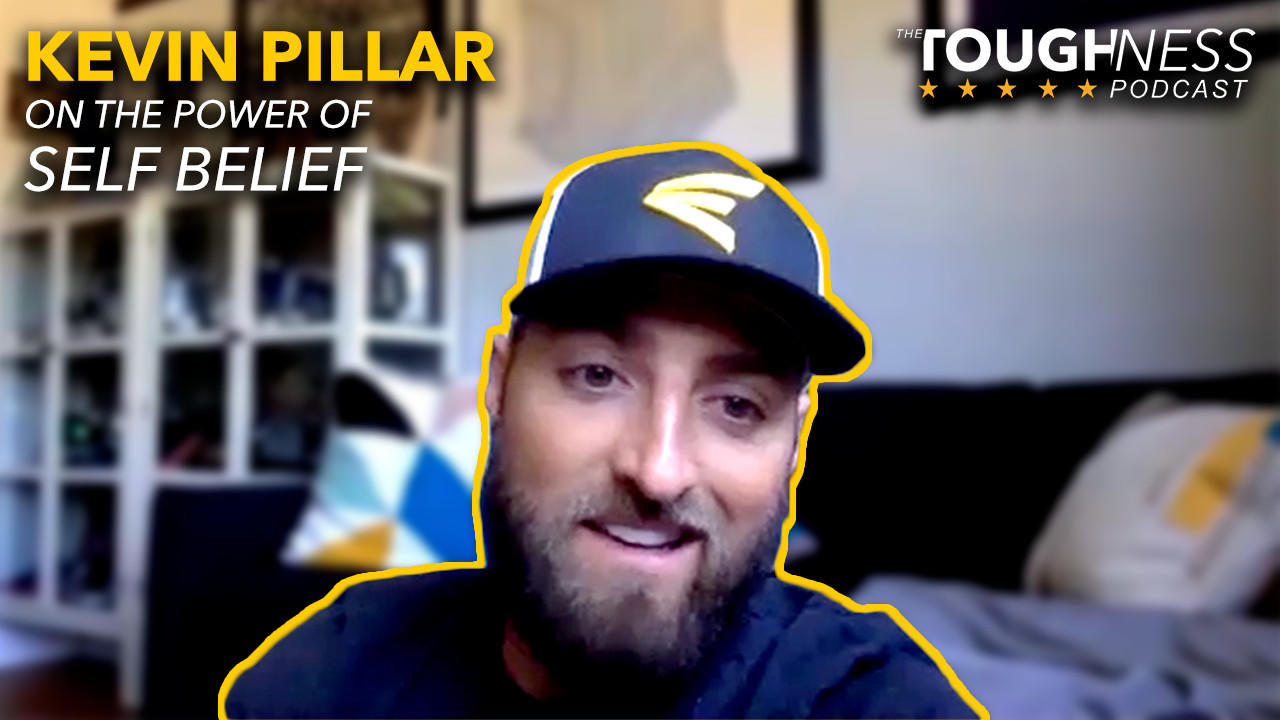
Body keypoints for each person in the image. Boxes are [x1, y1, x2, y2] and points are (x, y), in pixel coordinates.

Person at [221, 144, 986, 719]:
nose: (658, 471)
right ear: (498, 383)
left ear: (796, 443)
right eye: (597, 375)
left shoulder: (866, 699)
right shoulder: (329, 676)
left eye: (737, 406)